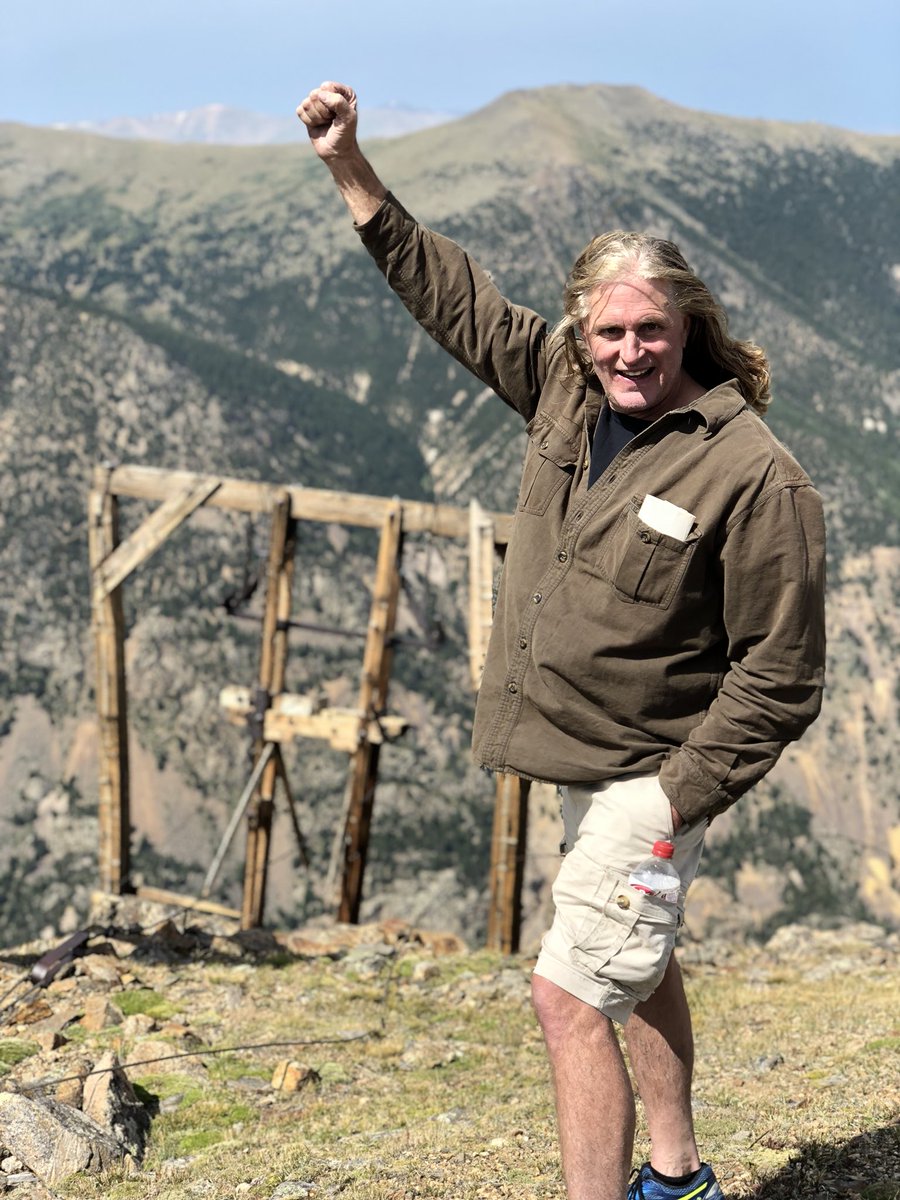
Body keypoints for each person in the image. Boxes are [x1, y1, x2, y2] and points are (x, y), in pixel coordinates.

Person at [297, 82, 826, 1200]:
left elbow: (783, 674)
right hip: (589, 759)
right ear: (581, 334)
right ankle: (679, 1177)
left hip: (651, 782)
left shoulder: (751, 473)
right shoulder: (562, 390)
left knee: (570, 995)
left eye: (651, 330)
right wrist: (351, 167)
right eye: (609, 331)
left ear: (690, 327)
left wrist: (670, 801)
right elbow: (455, 298)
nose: (629, 352)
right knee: (635, 961)